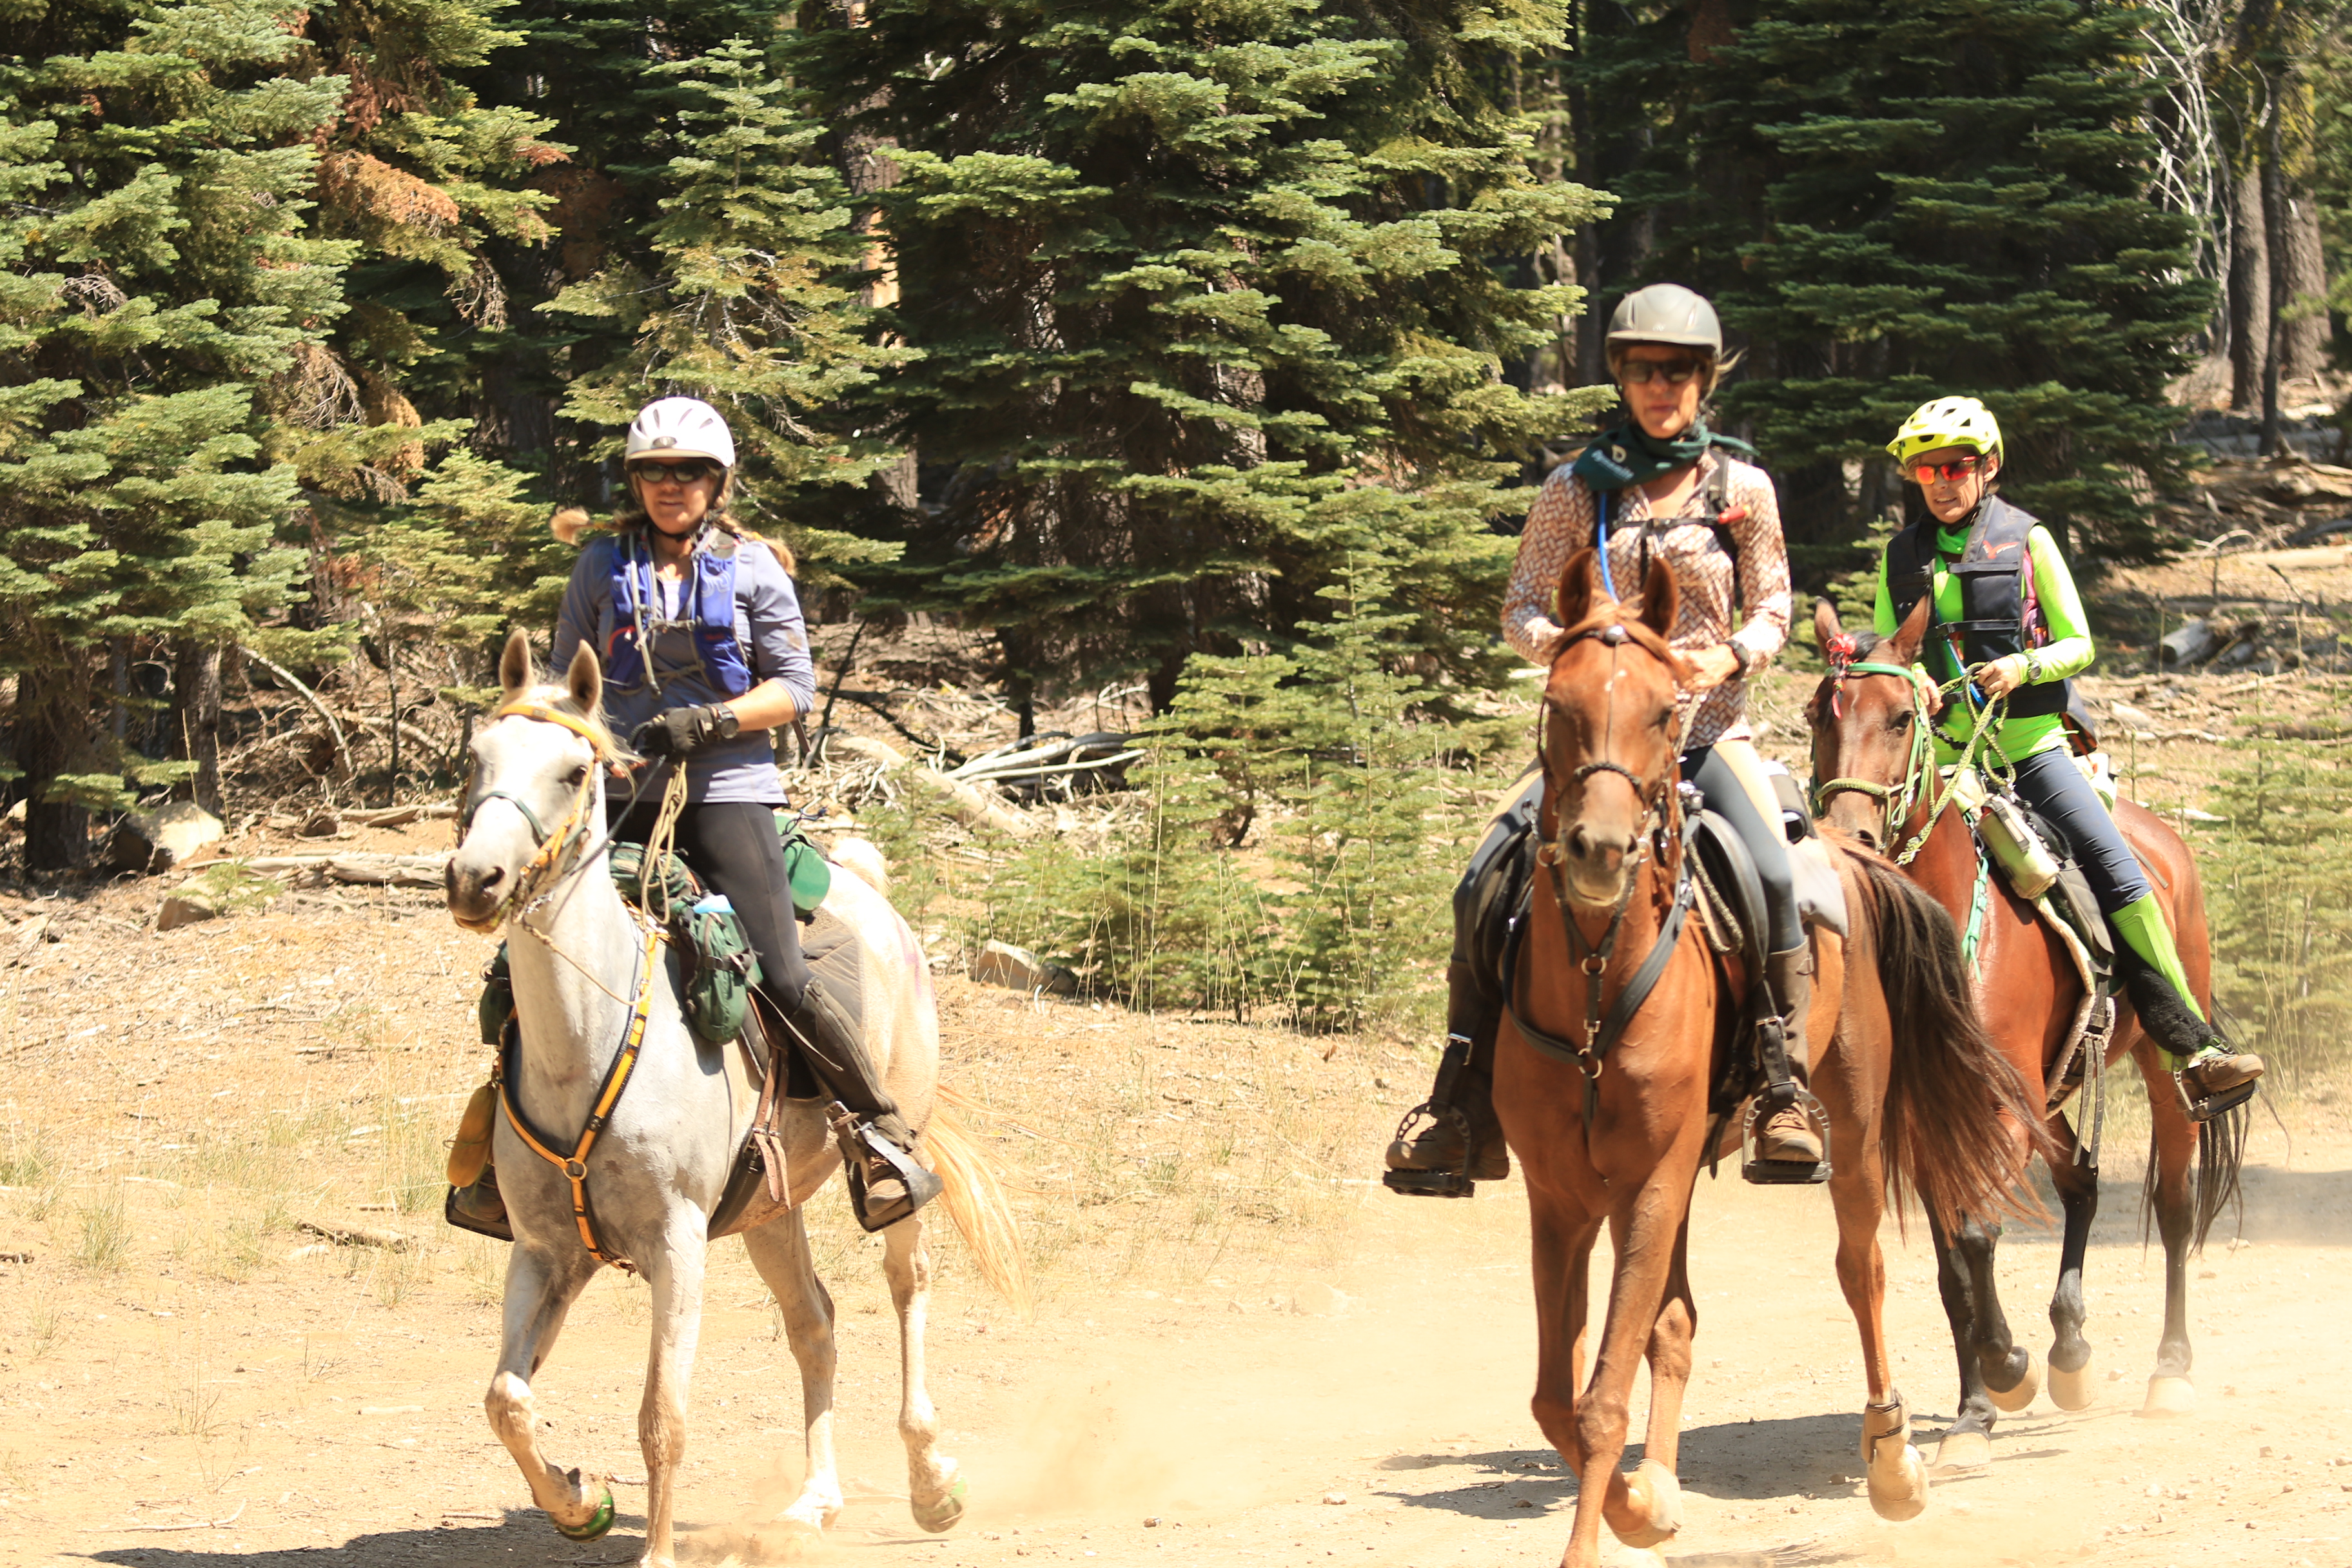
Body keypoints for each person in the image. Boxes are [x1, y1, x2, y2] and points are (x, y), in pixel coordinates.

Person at [1385, 282, 1816, 1195]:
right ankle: (1460, 1099)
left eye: (1680, 372)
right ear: (1621, 376)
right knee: (1482, 877)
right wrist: (1579, 648)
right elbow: (1521, 608)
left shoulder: (1742, 489)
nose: (1662, 387)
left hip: (1707, 733)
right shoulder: (1575, 486)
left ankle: (1784, 1091)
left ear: (1705, 381)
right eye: (1644, 371)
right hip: (1593, 751)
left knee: (1778, 879)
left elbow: (1776, 604)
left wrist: (1730, 655)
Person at [554, 395, 937, 1231]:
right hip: (621, 793)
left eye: (689, 471)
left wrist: (714, 720)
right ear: (635, 481)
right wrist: (592, 750)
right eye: (655, 471)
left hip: (727, 790)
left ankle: (879, 1134)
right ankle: (498, 1150)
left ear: (717, 481)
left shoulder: (755, 568)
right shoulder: (599, 567)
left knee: (783, 971)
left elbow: (795, 689)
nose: (671, 485)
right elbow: (565, 681)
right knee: (533, 948)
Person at [1873, 396, 2262, 1118]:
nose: (1941, 481)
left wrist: (2023, 666)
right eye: (1926, 469)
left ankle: (2191, 1046)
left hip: (2027, 750)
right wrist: (1914, 677)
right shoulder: (1901, 557)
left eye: (1955, 466)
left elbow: (2079, 643)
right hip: (1942, 758)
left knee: (2115, 867)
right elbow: (1885, 653)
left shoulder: (2029, 540)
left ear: (1988, 467)